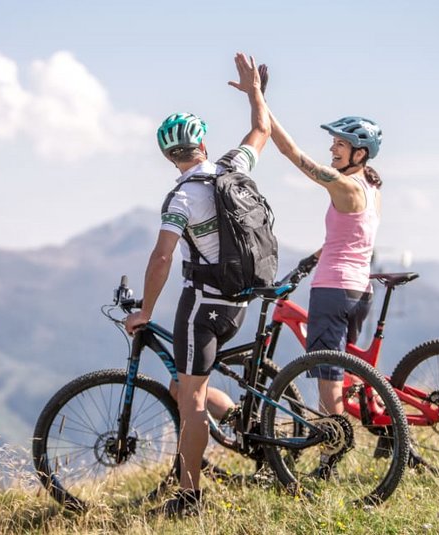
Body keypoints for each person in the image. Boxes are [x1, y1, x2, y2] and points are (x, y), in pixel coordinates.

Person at [123, 52, 270, 517]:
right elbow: (261, 131)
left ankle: (190, 497)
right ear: (202, 145)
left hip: (202, 305)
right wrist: (255, 94)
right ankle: (250, 431)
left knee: (192, 401)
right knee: (181, 384)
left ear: (169, 155)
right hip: (238, 302)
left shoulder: (182, 196)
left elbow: (162, 255)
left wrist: (144, 311)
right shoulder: (233, 170)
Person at [255, 75, 383, 476]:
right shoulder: (371, 187)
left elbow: (292, 153)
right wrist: (309, 261)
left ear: (359, 153)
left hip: (333, 290)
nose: (332, 149)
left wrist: (258, 100)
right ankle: (368, 428)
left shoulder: (345, 186)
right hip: (359, 289)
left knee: (328, 376)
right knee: (342, 370)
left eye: (340, 144)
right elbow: (351, 238)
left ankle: (330, 458)